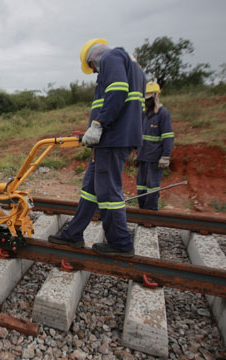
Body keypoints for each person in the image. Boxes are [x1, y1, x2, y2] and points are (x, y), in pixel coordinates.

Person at [48, 38, 146, 257]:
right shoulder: (134, 67)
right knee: (90, 188)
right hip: (112, 137)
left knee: (108, 191)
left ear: (93, 59)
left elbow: (118, 92)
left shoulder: (111, 58)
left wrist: (99, 124)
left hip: (112, 138)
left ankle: (121, 242)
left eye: (92, 68)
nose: (94, 73)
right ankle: (73, 234)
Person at [135, 82, 174, 210]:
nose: (146, 102)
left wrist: (165, 156)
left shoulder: (163, 114)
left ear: (155, 97)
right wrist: (137, 154)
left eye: (148, 99)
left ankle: (150, 216)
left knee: (152, 188)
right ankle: (142, 213)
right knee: (141, 188)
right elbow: (140, 136)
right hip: (143, 158)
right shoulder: (144, 115)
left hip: (154, 160)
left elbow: (168, 136)